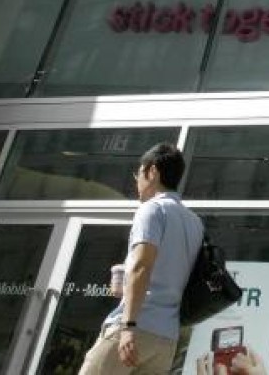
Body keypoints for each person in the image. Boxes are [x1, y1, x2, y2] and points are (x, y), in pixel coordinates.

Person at [79, 143, 204, 375]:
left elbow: (141, 267)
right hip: (166, 338)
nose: (137, 182)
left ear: (152, 171)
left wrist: (128, 326)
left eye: (138, 174)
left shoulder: (152, 209)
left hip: (137, 328)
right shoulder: (194, 222)